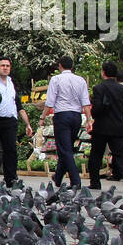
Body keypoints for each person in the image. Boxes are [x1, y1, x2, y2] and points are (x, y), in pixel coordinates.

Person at [41, 55, 91, 189]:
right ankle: (58, 177)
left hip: (62, 115)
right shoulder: (80, 80)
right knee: (67, 147)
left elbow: (50, 101)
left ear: (60, 66)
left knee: (64, 148)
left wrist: (42, 118)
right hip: (76, 116)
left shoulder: (56, 79)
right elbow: (86, 102)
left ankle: (75, 180)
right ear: (72, 66)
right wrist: (89, 119)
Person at [87, 60, 123, 192]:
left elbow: (96, 110)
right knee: (120, 153)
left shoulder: (98, 88)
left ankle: (95, 181)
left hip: (102, 127)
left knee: (96, 155)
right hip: (118, 125)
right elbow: (122, 107)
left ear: (103, 73)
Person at [0, 55, 33, 185]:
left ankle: (11, 180)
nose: (5, 68)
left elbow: (18, 105)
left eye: (7, 66)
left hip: (9, 121)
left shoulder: (11, 83)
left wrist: (28, 124)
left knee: (11, 150)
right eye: (3, 65)